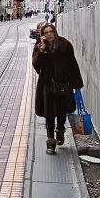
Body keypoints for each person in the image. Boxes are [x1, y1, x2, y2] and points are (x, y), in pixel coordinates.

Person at [32, 22, 84, 154]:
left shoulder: (65, 45)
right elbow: (37, 66)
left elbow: (73, 64)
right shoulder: (39, 47)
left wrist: (76, 84)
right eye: (46, 33)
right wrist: (43, 49)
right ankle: (50, 143)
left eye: (51, 32)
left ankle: (60, 130)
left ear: (54, 32)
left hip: (63, 84)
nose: (49, 35)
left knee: (61, 112)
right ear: (42, 35)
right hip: (47, 85)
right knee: (49, 114)